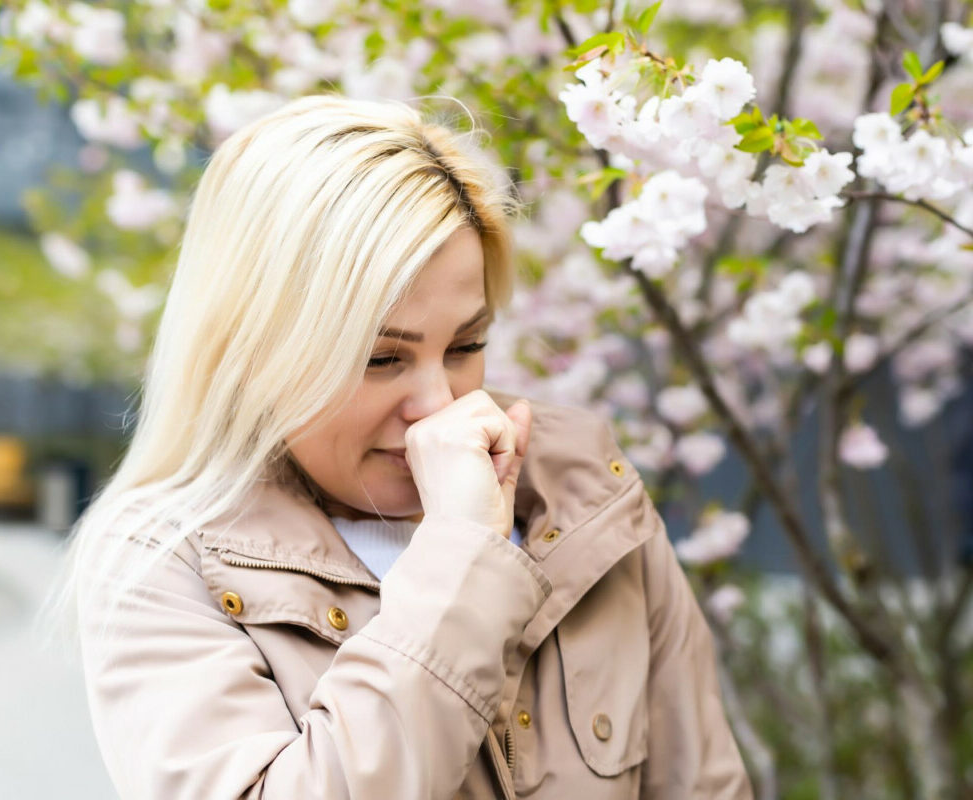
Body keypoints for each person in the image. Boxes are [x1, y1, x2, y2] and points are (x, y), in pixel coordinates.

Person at [62, 95, 752, 799]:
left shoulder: (584, 495)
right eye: (380, 359)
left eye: (466, 346)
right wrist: (460, 549)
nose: (438, 406)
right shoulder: (163, 559)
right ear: (255, 348)